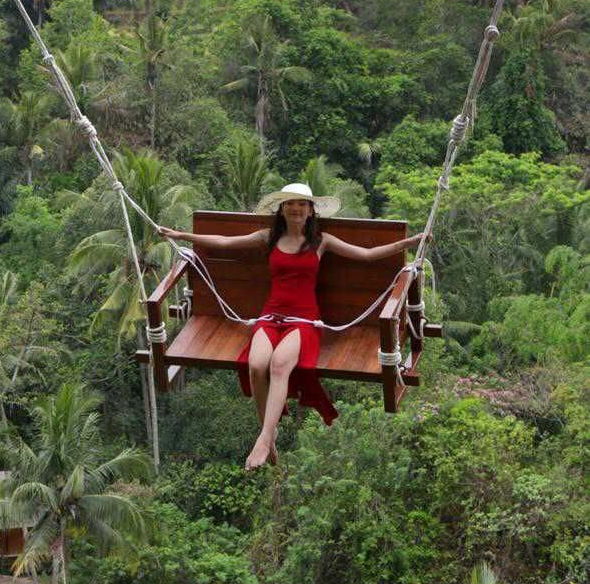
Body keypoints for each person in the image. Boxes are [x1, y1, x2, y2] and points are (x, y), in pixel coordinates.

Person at [160, 182, 426, 471]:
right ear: (282, 209)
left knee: (278, 365)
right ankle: (268, 434)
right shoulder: (268, 237)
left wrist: (410, 243)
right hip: (270, 316)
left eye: (302, 204)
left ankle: (263, 440)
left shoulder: (322, 241)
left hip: (304, 321)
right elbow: (225, 242)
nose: (296, 208)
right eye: (290, 203)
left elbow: (367, 254)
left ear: (311, 211)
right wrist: (180, 235)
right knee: (255, 364)